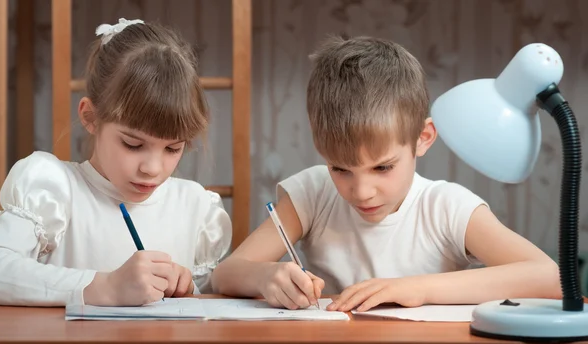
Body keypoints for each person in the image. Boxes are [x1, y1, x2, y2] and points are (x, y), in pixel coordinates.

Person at [211, 35, 561, 312]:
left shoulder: (446, 207)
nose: (361, 191)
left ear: (422, 138)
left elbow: (550, 278)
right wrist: (266, 277)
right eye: (340, 168)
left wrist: (415, 288)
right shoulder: (314, 191)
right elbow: (225, 275)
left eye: (382, 167)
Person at [0, 18, 231, 307]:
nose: (152, 168)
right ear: (90, 117)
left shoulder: (195, 207)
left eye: (172, 148)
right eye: (133, 144)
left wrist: (188, 288)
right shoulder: (55, 189)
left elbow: (211, 304)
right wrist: (103, 286)